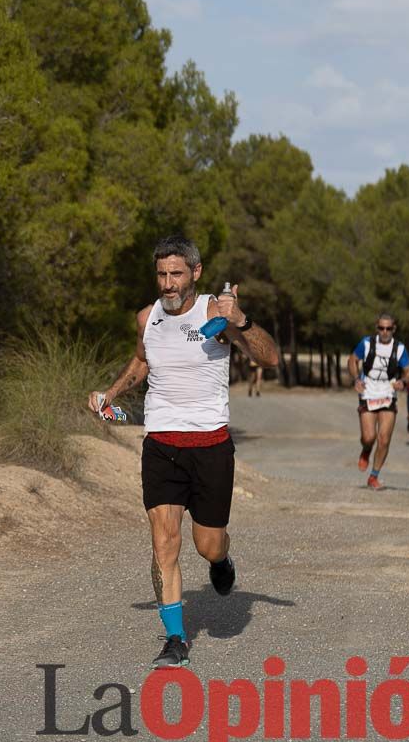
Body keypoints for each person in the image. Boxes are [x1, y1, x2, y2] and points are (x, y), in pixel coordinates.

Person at [88, 235, 279, 668]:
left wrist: (243, 321)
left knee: (206, 545)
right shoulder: (147, 317)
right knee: (164, 542)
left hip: (210, 447)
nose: (168, 284)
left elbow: (269, 359)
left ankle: (222, 558)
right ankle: (175, 638)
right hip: (161, 446)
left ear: (196, 272)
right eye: (161, 274)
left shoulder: (218, 313)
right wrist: (110, 393)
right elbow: (141, 362)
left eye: (176, 274)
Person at [346, 314, 409, 490]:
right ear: (377, 328)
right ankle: (366, 450)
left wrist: (403, 382)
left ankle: (373, 476)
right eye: (381, 328)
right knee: (369, 437)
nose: (384, 332)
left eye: (388, 328)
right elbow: (353, 360)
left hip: (388, 394)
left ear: (394, 329)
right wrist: (355, 379)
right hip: (368, 392)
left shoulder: (399, 348)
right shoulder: (367, 343)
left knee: (384, 440)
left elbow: (408, 370)